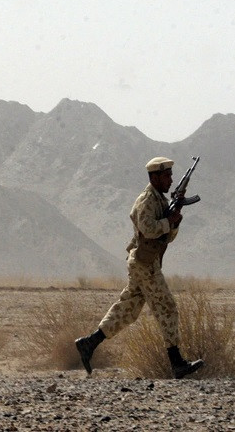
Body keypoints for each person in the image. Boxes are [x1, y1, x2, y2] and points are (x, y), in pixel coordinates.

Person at [75, 157, 204, 379]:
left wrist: (175, 219)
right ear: (154, 177)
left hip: (147, 262)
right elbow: (148, 229)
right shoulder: (146, 201)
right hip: (144, 264)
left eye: (172, 176)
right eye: (167, 176)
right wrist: (168, 221)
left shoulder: (161, 202)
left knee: (128, 309)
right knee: (167, 307)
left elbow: (167, 237)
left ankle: (89, 343)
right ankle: (176, 363)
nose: (171, 180)